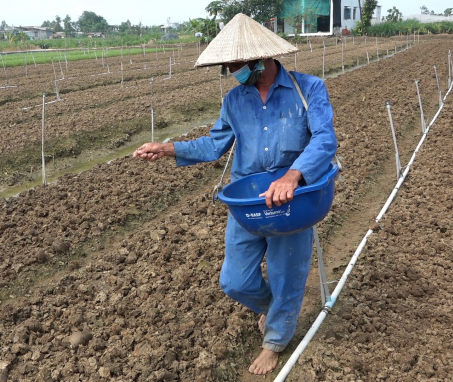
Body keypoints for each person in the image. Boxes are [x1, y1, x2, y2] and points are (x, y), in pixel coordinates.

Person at [134, 13, 337, 375]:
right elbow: (214, 145)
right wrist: (169, 149)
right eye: (228, 66)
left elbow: (324, 139)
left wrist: (293, 176)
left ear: (261, 59)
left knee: (285, 273)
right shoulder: (234, 101)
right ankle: (274, 308)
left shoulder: (309, 90)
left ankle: (275, 342)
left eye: (237, 64)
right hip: (248, 200)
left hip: (292, 201)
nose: (233, 71)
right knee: (234, 280)